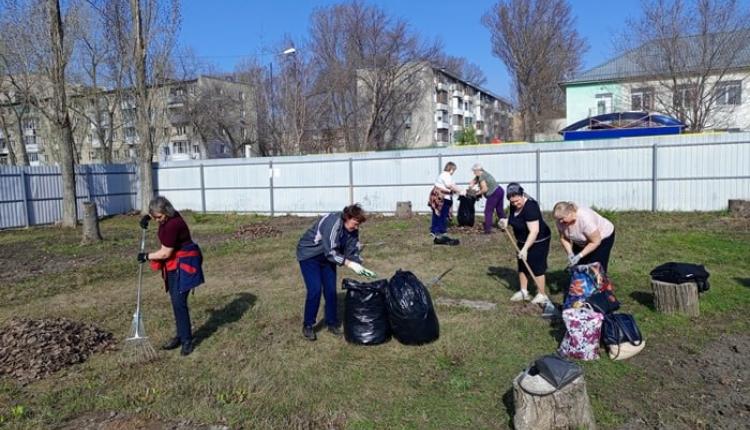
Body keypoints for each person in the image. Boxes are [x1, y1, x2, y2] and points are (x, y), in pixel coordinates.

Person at [296, 204, 376, 341]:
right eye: (355, 224)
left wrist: (359, 265)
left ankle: (331, 323)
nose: (356, 227)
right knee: (315, 289)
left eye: (358, 225)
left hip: (327, 258)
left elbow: (351, 250)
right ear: (347, 217)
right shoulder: (333, 223)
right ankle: (308, 325)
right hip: (309, 256)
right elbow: (331, 253)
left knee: (331, 290)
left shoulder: (352, 229)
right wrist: (350, 264)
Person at [138, 196, 204, 356]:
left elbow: (165, 252)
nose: (158, 220)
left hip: (185, 263)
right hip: (174, 264)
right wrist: (148, 216)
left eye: (159, 217)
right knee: (176, 302)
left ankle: (187, 341)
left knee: (179, 302)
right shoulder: (169, 216)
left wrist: (147, 256)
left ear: (166, 211)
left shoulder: (173, 225)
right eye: (155, 217)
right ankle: (181, 335)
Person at [499, 183, 551, 304]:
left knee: (537, 266)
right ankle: (523, 291)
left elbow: (534, 231)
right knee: (522, 264)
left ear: (522, 195)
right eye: (512, 202)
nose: (515, 204)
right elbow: (514, 218)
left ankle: (541, 294)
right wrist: (505, 221)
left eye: (517, 201)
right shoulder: (513, 205)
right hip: (522, 240)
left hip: (538, 240)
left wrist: (525, 249)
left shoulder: (531, 207)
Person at [553, 201, 616, 273]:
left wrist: (580, 255)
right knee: (579, 265)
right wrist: (570, 253)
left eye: (562, 218)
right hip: (582, 240)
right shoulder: (560, 222)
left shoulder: (585, 219)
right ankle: (582, 283)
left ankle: (599, 283)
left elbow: (595, 242)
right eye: (558, 219)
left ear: (570, 213)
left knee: (596, 266)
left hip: (602, 238)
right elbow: (564, 238)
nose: (560, 222)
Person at [428, 161, 463, 245]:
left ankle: (437, 230)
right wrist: (460, 191)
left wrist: (459, 190)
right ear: (451, 169)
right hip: (441, 197)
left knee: (439, 214)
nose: (453, 172)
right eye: (453, 170)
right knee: (441, 214)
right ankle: (439, 231)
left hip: (442, 196)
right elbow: (449, 186)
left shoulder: (445, 175)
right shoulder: (445, 175)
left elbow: (453, 185)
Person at [470, 163, 505, 234]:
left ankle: (487, 230)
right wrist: (471, 184)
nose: (473, 173)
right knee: (500, 210)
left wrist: (475, 194)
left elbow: (485, 189)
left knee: (488, 211)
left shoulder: (482, 177)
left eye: (474, 171)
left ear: (478, 170)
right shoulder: (484, 173)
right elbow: (475, 180)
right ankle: (505, 226)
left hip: (494, 193)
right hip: (499, 190)